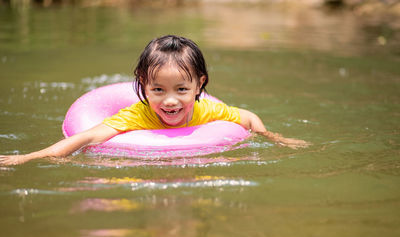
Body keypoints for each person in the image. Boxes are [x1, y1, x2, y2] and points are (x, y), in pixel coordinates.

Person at [0, 35, 309, 166]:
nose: (170, 101)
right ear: (142, 85)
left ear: (200, 84)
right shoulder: (136, 117)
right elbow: (86, 137)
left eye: (182, 90)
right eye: (158, 90)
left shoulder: (207, 110)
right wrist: (29, 158)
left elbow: (249, 117)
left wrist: (274, 138)